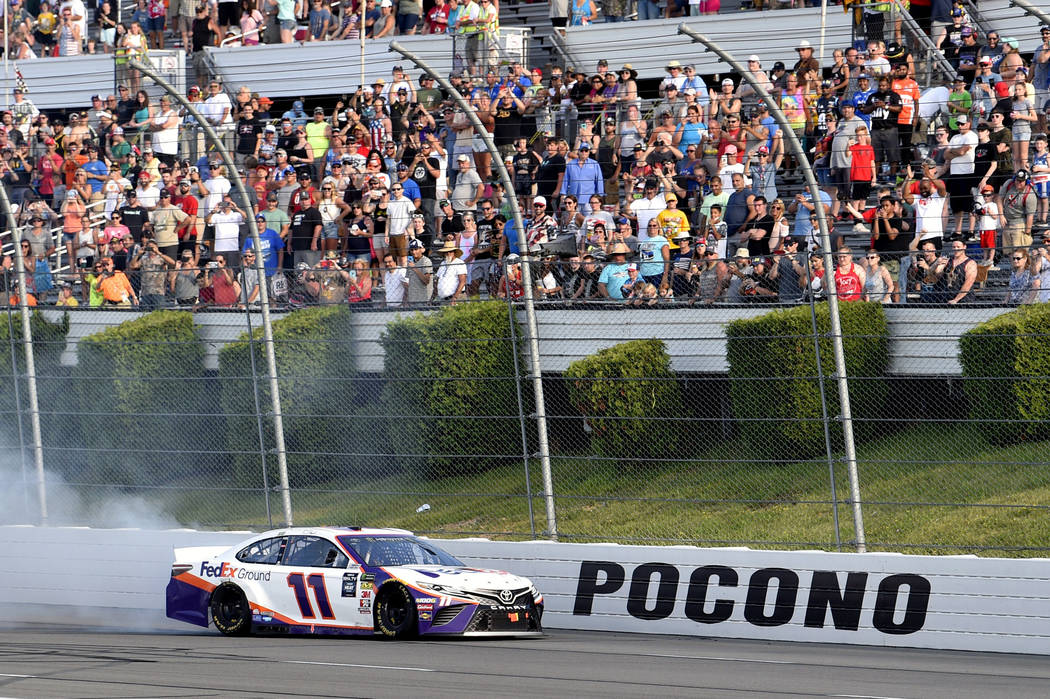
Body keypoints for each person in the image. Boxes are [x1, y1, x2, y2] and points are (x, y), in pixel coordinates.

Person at [928, 238, 978, 304]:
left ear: (964, 247)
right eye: (954, 247)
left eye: (958, 247)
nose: (956, 249)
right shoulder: (948, 260)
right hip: (947, 298)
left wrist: (956, 300)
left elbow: (968, 284)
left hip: (964, 299)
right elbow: (936, 272)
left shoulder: (970, 263)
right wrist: (936, 263)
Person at [434, 239, 466, 303]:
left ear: (454, 252)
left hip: (457, 297)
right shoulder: (442, 263)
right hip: (443, 298)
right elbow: (437, 280)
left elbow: (462, 281)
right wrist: (434, 296)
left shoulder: (459, 263)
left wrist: (455, 297)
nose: (448, 253)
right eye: (446, 252)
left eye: (450, 251)